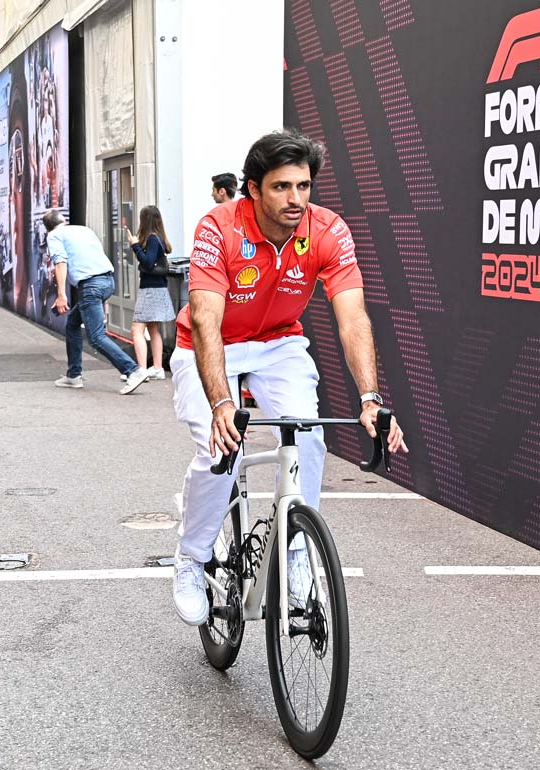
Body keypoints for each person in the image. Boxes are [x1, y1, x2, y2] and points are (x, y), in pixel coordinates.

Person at [169, 131, 407, 625]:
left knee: (309, 436)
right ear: (254, 189)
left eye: (303, 186)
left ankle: (297, 549)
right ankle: (192, 557)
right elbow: (206, 319)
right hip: (209, 344)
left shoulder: (327, 230)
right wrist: (221, 404)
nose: (296, 198)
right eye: (281, 187)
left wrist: (370, 397)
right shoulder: (218, 227)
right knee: (220, 450)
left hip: (278, 343)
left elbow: (353, 317)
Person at [43, 210, 151, 393]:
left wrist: (61, 295)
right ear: (63, 220)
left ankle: (133, 370)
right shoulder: (84, 230)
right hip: (107, 281)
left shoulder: (54, 235)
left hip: (90, 286)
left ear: (48, 228)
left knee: (96, 337)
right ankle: (73, 375)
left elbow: (60, 263)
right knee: (73, 323)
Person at [125, 206, 175, 380]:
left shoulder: (153, 239)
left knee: (136, 329)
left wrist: (135, 245)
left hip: (150, 290)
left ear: (145, 220)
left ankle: (141, 370)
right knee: (153, 329)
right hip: (158, 288)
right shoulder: (159, 238)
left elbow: (147, 262)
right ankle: (157, 368)